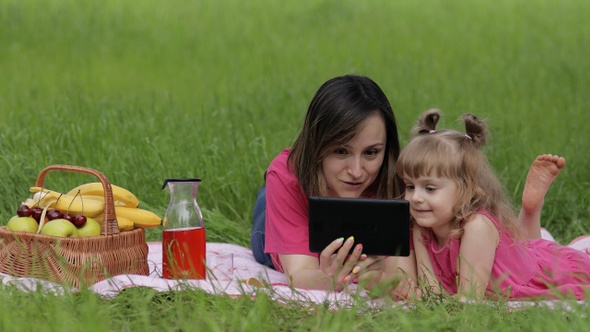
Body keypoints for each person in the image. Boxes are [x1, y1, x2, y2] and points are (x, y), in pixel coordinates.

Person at [397, 109, 590, 300]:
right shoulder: (420, 229)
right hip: (522, 258)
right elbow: (433, 293)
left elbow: (468, 299)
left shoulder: (476, 227)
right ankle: (531, 217)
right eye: (410, 186)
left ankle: (534, 214)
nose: (415, 198)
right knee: (528, 245)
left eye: (430, 188)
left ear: (467, 189)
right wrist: (420, 297)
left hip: (547, 276)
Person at [251, 74, 416, 295]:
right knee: (268, 198)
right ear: (316, 146)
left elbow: (402, 279)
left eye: (371, 152)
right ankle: (267, 192)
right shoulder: (288, 177)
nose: (356, 172)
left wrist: (380, 279)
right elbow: (299, 273)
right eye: (341, 151)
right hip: (289, 206)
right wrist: (329, 280)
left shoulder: (398, 177)